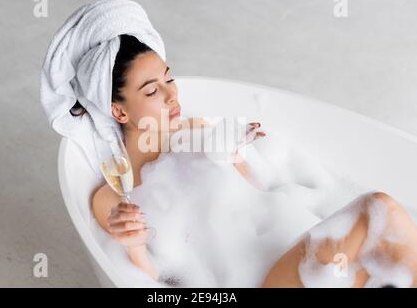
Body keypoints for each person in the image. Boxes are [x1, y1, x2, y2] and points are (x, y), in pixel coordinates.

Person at [91, 34, 417, 287]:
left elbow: (257, 191)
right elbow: (156, 279)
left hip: (307, 249)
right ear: (119, 111)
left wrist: (236, 157)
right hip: (261, 280)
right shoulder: (115, 193)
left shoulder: (197, 131)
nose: (172, 95)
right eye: (152, 91)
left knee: (388, 241)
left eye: (169, 78)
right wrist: (134, 245)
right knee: (378, 209)